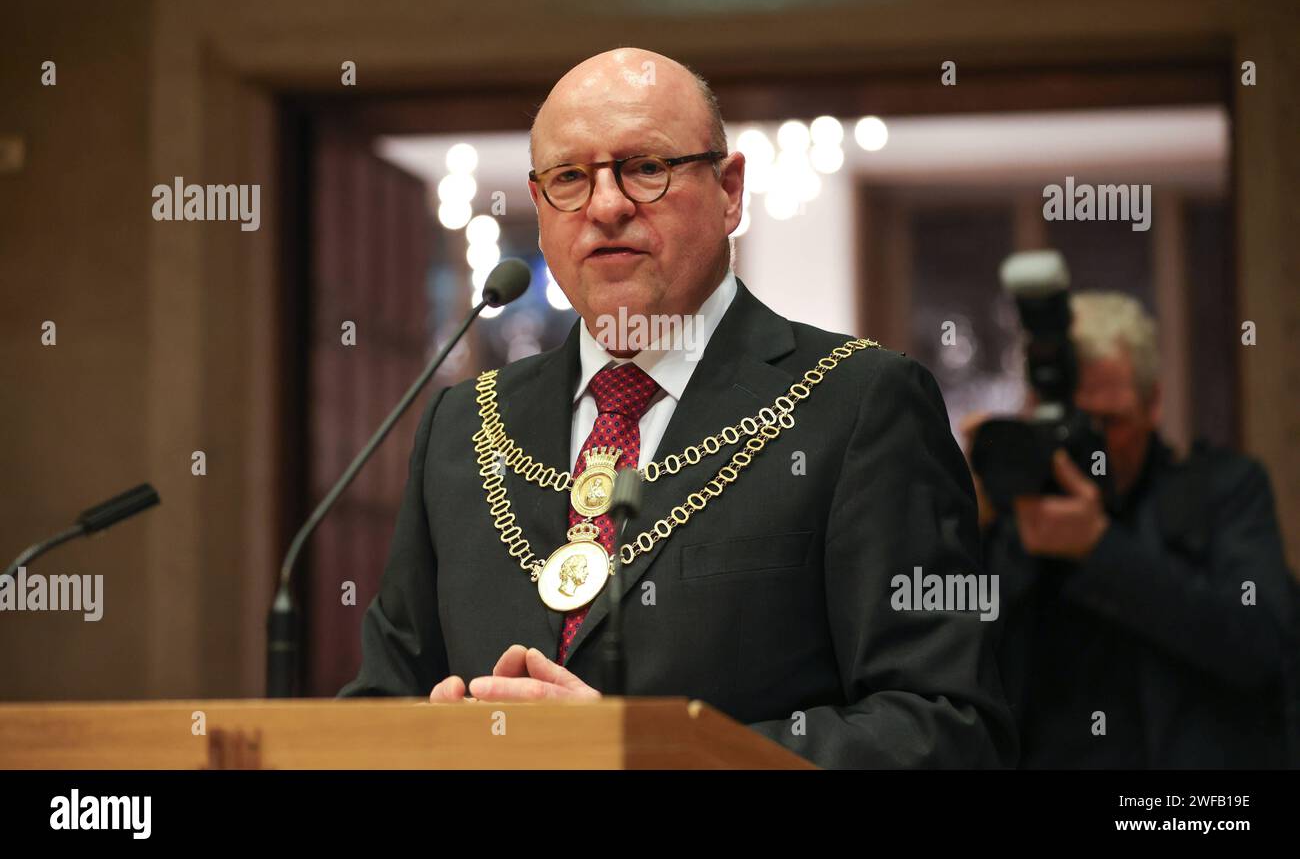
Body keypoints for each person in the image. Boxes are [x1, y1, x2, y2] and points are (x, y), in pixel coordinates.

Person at [340, 47, 1017, 769]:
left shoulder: (860, 404)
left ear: (729, 192)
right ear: (539, 210)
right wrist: (422, 740)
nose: (605, 206)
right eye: (570, 177)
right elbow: (384, 698)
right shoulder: (464, 425)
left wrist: (652, 757)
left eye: (645, 167)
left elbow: (947, 729)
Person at [973, 292, 1294, 768]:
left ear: (1154, 402)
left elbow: (1262, 647)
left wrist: (1100, 550)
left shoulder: (1224, 491)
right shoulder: (1010, 512)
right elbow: (949, 671)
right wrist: (964, 519)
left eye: (1109, 421)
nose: (1091, 442)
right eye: (1072, 422)